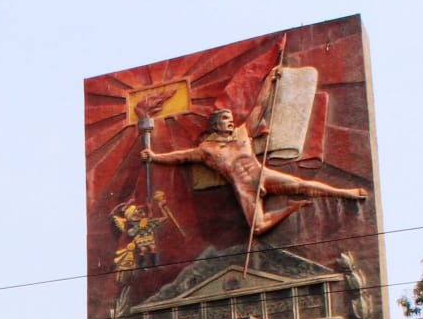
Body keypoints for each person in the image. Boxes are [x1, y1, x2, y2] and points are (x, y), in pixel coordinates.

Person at [141, 39, 367, 236]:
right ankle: (290, 208)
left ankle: (346, 193)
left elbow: (260, 105)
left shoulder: (243, 132)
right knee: (257, 228)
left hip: (261, 174)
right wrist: (153, 156)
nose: (230, 121)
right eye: (225, 119)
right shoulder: (207, 149)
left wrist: (270, 80)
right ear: (215, 124)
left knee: (303, 184)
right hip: (244, 187)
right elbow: (180, 157)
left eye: (230, 118)